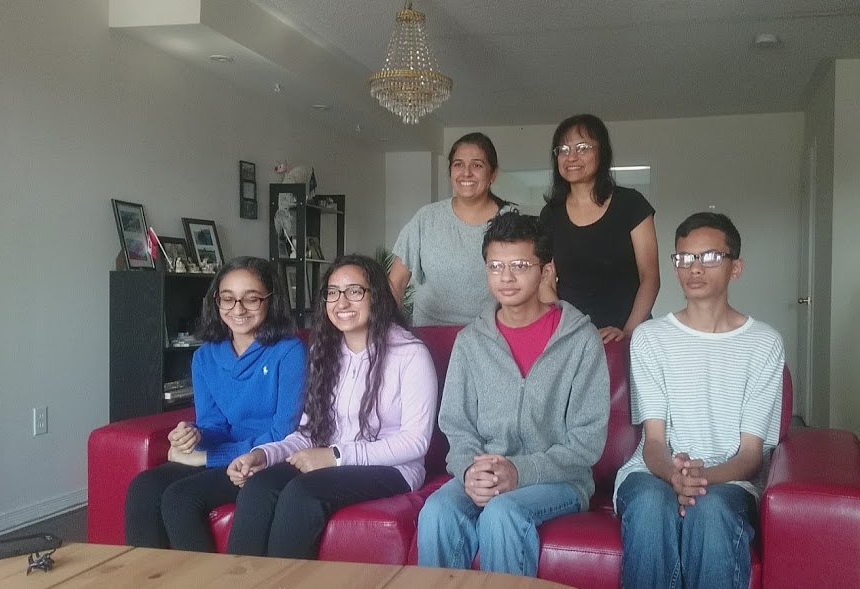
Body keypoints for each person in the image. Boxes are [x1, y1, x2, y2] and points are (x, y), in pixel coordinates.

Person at [417, 212, 609, 577]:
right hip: (485, 470)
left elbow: (586, 441)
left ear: (545, 271)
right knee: (437, 511)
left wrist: (518, 471)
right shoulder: (471, 341)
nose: (506, 277)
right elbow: (456, 425)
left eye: (520, 265)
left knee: (503, 513)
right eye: (495, 266)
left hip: (560, 479)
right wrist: (470, 470)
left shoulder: (581, 340)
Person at [225, 254, 438, 559]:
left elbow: (416, 442)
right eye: (333, 292)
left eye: (355, 291)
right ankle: (241, 579)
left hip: (393, 470)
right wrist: (265, 454)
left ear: (376, 296)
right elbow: (310, 432)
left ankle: (286, 580)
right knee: (260, 486)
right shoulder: (324, 352)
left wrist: (337, 456)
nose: (342, 302)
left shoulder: (410, 353)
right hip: (331, 461)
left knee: (302, 493)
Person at [614, 212, 785, 589]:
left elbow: (751, 455)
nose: (694, 267)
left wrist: (698, 480)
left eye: (709, 257)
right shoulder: (650, 337)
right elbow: (654, 442)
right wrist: (674, 476)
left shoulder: (764, 343)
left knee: (709, 510)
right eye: (684, 258)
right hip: (653, 474)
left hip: (731, 481)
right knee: (650, 505)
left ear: (735, 268)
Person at [124, 256, 305, 551]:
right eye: (228, 299)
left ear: (270, 301)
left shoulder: (290, 351)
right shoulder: (205, 356)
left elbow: (284, 433)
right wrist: (194, 435)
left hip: (265, 458)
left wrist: (206, 458)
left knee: (181, 498)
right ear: (216, 302)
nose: (238, 309)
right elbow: (214, 424)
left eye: (251, 299)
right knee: (144, 487)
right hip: (226, 452)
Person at [539, 114, 660, 343]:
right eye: (563, 149)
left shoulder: (631, 204)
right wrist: (565, 330)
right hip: (572, 336)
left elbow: (650, 277)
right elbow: (545, 281)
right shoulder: (550, 214)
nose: (571, 157)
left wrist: (628, 332)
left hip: (628, 333)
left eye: (582, 148)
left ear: (602, 153)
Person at [390, 132, 516, 326]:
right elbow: (395, 284)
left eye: (477, 165)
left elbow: (528, 285)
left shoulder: (511, 219)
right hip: (430, 334)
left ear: (493, 174)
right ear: (450, 172)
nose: (466, 172)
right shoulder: (426, 218)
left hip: (491, 334)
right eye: (458, 164)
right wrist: (386, 333)